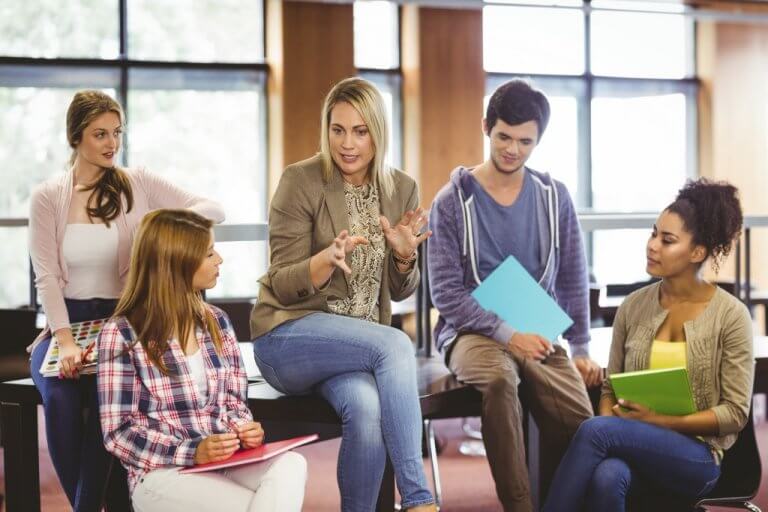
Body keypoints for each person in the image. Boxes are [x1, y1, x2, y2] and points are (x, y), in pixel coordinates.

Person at [28, 90, 225, 510]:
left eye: (116, 133)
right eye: (99, 134)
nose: (111, 143)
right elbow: (45, 277)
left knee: (108, 400)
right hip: (66, 324)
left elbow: (214, 209)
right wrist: (64, 343)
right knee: (60, 398)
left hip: (123, 325)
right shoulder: (47, 196)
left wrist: (160, 228)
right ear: (75, 137)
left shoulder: (138, 182)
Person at [250, 77, 437, 512]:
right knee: (395, 343)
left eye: (360, 131)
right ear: (326, 129)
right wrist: (323, 261)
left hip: (356, 349)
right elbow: (280, 281)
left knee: (367, 409)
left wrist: (405, 259)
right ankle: (419, 499)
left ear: (378, 132)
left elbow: (399, 288)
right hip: (288, 337)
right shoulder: (301, 180)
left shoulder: (400, 188)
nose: (347, 143)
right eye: (338, 130)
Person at [427, 79, 599, 511]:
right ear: (486, 127)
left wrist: (579, 345)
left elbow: (574, 274)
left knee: (581, 418)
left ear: (537, 140)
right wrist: (507, 335)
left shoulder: (553, 197)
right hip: (469, 331)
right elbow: (447, 295)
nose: (513, 150)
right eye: (504, 136)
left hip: (534, 325)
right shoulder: (451, 202)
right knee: (502, 380)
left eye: (525, 141)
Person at [543, 179, 754, 512]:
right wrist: (615, 423)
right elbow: (611, 388)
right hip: (632, 444)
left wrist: (655, 421)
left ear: (697, 252)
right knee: (608, 475)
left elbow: (735, 413)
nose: (652, 245)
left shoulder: (731, 316)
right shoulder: (633, 305)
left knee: (595, 432)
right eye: (653, 233)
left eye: (667, 240)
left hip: (697, 458)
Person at [98, 209, 307, 511]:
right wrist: (192, 452)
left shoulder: (217, 321)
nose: (219, 259)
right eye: (208, 253)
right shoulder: (121, 334)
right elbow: (120, 434)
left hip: (223, 461)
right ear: (177, 262)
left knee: (291, 464)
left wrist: (243, 430)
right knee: (253, 505)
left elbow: (235, 403)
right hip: (162, 473)